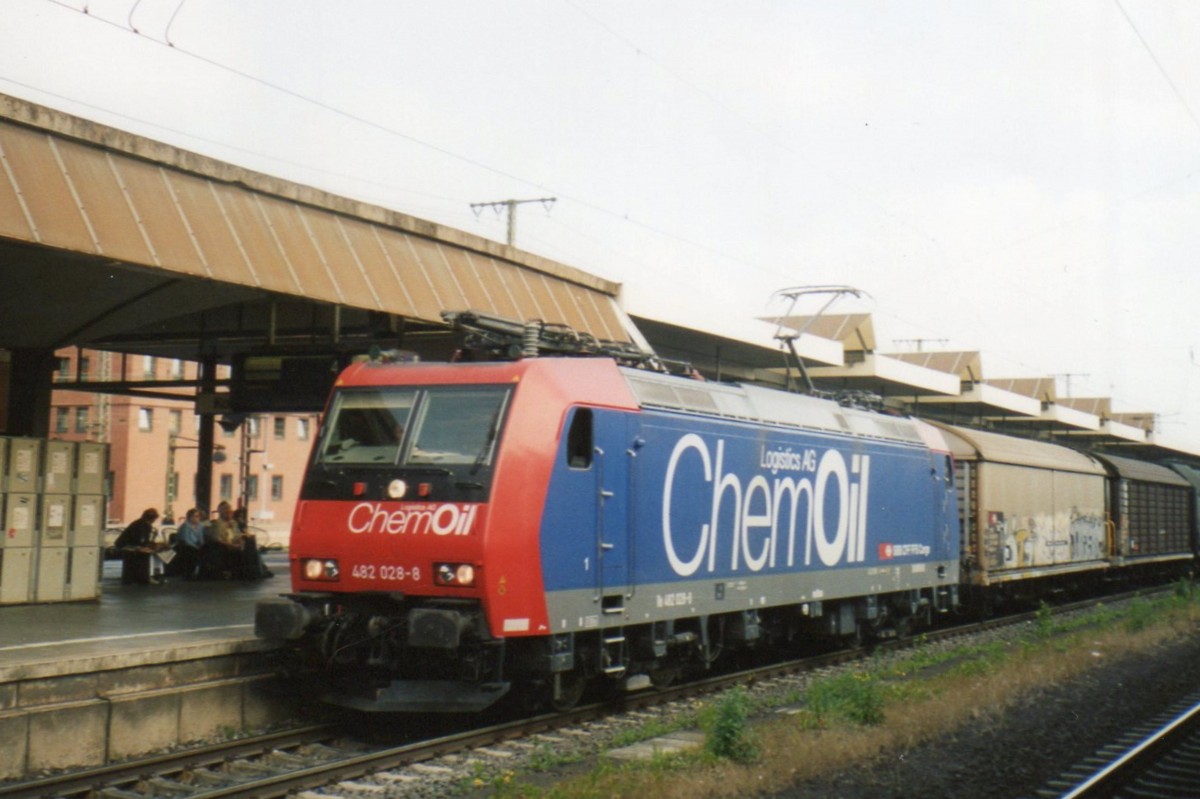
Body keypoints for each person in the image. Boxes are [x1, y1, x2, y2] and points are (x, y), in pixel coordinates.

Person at [113, 507, 161, 585]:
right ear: (152, 519)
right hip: (128, 546)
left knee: (146, 551)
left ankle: (139, 577)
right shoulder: (143, 525)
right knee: (145, 553)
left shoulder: (139, 523)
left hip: (124, 544)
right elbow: (140, 541)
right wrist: (151, 546)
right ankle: (144, 577)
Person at [172, 508, 205, 581]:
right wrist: (196, 547)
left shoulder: (200, 526)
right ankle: (188, 574)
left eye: (198, 516)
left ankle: (202, 574)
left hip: (196, 545)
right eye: (194, 516)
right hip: (186, 545)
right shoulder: (186, 526)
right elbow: (186, 539)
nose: (196, 518)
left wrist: (202, 545)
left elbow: (201, 538)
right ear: (189, 517)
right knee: (191, 551)